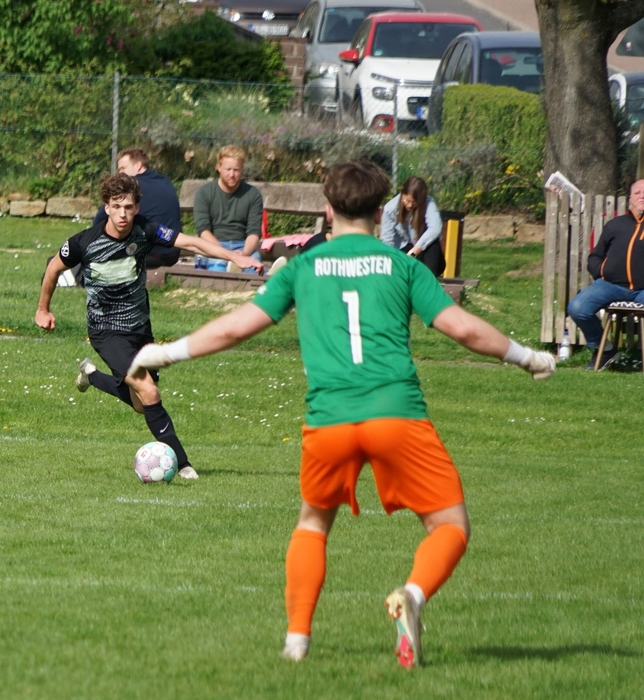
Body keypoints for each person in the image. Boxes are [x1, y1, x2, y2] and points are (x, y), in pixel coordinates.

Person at [126, 161, 555, 667]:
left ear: (328, 210)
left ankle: (297, 642)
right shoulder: (402, 265)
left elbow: (237, 326)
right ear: (379, 211)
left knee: (313, 524)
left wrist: (167, 352)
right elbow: (461, 327)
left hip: (329, 419)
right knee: (450, 526)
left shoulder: (304, 267)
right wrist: (526, 356)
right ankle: (414, 594)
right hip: (397, 415)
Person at [36, 173, 263, 481]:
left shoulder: (145, 230)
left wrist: (235, 256)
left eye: (129, 207)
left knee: (142, 405)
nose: (123, 214)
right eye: (116, 207)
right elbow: (53, 268)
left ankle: (91, 376)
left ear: (137, 207)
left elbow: (191, 242)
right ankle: (183, 465)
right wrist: (43, 309)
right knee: (149, 390)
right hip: (106, 331)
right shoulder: (84, 242)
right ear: (106, 207)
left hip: (141, 330)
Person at [567, 179, 644, 370]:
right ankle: (605, 350)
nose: (642, 196)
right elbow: (595, 257)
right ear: (630, 199)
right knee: (578, 307)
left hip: (642, 291)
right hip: (610, 286)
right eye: (637, 193)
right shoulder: (615, 225)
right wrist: (601, 272)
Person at [92, 148, 182, 269]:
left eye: (123, 168)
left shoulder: (131, 186)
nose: (120, 173)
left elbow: (99, 219)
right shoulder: (165, 181)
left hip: (146, 253)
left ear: (138, 165)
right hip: (172, 253)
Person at [194, 145, 263, 272]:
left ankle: (274, 276)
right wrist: (225, 253)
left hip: (242, 245)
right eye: (228, 169)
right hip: (214, 244)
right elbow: (203, 230)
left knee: (254, 268)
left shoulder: (253, 194)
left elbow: (254, 232)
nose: (232, 174)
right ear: (219, 167)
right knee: (217, 267)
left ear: (242, 169)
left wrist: (244, 254)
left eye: (236, 170)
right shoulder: (204, 193)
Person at [380, 176, 445, 277]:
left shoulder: (428, 202)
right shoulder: (390, 209)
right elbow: (387, 241)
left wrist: (414, 251)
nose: (410, 205)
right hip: (402, 251)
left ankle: (428, 279)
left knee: (433, 240)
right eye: (407, 200)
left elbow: (435, 228)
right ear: (402, 193)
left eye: (414, 202)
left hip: (421, 251)